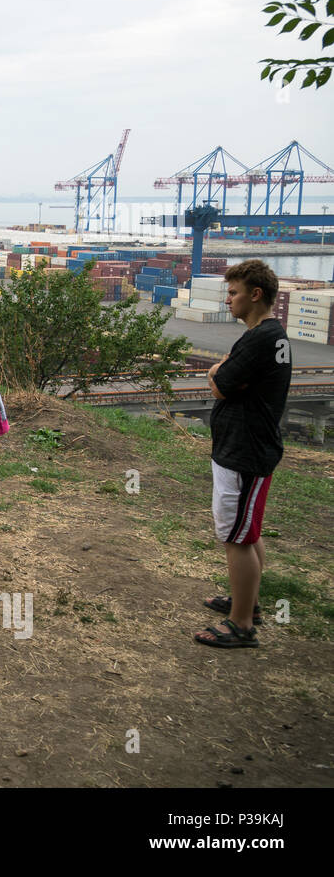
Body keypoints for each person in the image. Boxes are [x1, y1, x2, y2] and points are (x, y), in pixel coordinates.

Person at [194, 259, 292, 649]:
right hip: (248, 448)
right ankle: (247, 601)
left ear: (255, 294)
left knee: (236, 537)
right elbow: (227, 376)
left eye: (233, 293)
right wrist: (223, 371)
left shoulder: (259, 339)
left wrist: (216, 372)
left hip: (244, 451)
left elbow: (220, 384)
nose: (228, 300)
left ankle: (242, 624)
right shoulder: (273, 334)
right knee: (247, 533)